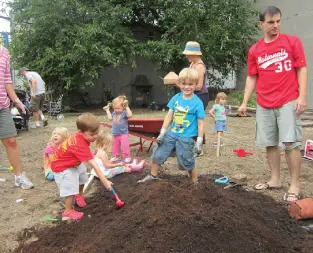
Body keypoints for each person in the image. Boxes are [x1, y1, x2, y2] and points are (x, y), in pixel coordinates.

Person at [238, 6, 308, 202]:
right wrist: (244, 102)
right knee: (269, 143)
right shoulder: (255, 50)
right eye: (271, 22)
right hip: (264, 102)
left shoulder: (292, 42)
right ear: (262, 24)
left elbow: (302, 69)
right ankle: (275, 179)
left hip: (288, 100)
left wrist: (302, 97)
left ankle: (294, 185)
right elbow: (252, 76)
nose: (275, 25)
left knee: (289, 143)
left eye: (278, 21)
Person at [139, 68, 205, 184]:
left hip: (187, 136)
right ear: (179, 83)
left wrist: (199, 140)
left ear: (196, 84)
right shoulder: (176, 98)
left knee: (187, 160)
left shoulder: (197, 102)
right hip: (172, 133)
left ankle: (195, 183)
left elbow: (201, 123)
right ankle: (153, 176)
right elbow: (169, 116)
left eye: (190, 84)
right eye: (184, 84)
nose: (187, 87)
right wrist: (163, 132)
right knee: (158, 153)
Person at [51, 113, 113, 221]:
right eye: (91, 134)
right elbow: (94, 165)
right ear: (81, 131)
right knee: (70, 186)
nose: (95, 137)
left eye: (96, 133)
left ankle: (79, 195)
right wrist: (105, 181)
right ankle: (68, 212)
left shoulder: (82, 136)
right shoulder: (79, 144)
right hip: (62, 167)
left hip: (72, 163)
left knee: (82, 176)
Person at [0, 45, 34, 190]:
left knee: (11, 140)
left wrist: (17, 101)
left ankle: (19, 176)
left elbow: (6, 80)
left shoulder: (4, 52)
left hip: (2, 104)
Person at [183, 41, 209, 154]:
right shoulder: (192, 64)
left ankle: (199, 147)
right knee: (191, 120)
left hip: (201, 96)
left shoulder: (199, 67)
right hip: (194, 95)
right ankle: (192, 144)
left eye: (188, 54)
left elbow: (198, 86)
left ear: (195, 54)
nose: (186, 56)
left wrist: (183, 87)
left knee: (198, 121)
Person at [103, 95, 132, 163]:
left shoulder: (124, 113)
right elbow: (110, 118)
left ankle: (127, 157)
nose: (116, 110)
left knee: (125, 146)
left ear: (123, 107)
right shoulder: (114, 113)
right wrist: (107, 110)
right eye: (115, 108)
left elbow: (130, 115)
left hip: (123, 133)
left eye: (118, 108)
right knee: (115, 146)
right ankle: (117, 157)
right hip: (115, 133)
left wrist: (127, 107)